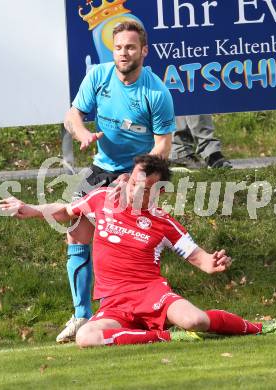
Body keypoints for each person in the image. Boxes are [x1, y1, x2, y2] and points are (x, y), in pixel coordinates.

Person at [0, 155, 276, 347]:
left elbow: (200, 259)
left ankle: (258, 328)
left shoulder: (164, 223)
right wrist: (32, 209)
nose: (134, 190)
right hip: (115, 304)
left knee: (197, 321)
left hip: (151, 294)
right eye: (134, 182)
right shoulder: (102, 198)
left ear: (159, 191)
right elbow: (64, 210)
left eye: (144, 187)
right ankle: (166, 336)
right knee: (86, 336)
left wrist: (214, 262)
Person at [60, 21, 176, 342]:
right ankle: (82, 316)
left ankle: (147, 313)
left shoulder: (156, 92)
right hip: (101, 168)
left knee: (131, 248)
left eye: (130, 48)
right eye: (119, 47)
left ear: (144, 51)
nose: (123, 53)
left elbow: (163, 145)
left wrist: (138, 178)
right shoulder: (98, 75)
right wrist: (82, 133)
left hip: (138, 175)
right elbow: (73, 115)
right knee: (76, 231)